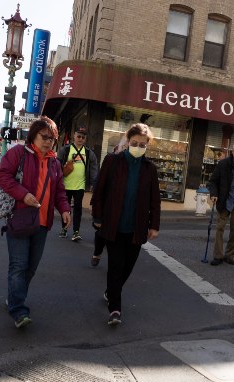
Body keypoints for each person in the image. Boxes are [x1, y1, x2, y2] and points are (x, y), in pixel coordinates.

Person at [0, 116, 71, 328]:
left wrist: (65, 209)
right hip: (20, 219)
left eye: (52, 139)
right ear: (34, 135)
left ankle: (14, 298)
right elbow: (3, 176)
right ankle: (19, 310)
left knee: (31, 268)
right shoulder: (18, 153)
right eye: (44, 137)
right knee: (19, 266)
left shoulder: (55, 163)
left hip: (42, 223)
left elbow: (59, 191)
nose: (48, 141)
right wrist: (23, 194)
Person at [91, 123, 161, 325]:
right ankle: (115, 309)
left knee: (127, 268)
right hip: (113, 225)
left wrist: (154, 225)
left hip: (136, 228)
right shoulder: (113, 161)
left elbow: (154, 200)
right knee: (115, 266)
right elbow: (100, 191)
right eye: (135, 143)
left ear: (147, 145)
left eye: (142, 144)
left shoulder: (150, 169)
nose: (138, 147)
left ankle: (111, 291)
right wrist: (97, 217)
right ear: (128, 141)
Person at [91, 134, 129, 267]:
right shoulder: (112, 159)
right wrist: (97, 213)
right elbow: (100, 183)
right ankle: (97, 253)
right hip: (107, 205)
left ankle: (114, 266)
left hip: (123, 209)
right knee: (101, 233)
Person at [57, 127, 98, 242]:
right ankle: (64, 229)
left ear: (85, 139)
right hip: (65, 185)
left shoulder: (89, 153)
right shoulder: (65, 150)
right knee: (66, 209)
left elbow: (94, 168)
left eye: (83, 137)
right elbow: (57, 164)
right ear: (74, 136)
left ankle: (76, 232)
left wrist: (94, 183)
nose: (80, 139)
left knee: (78, 210)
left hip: (80, 185)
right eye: (78, 136)